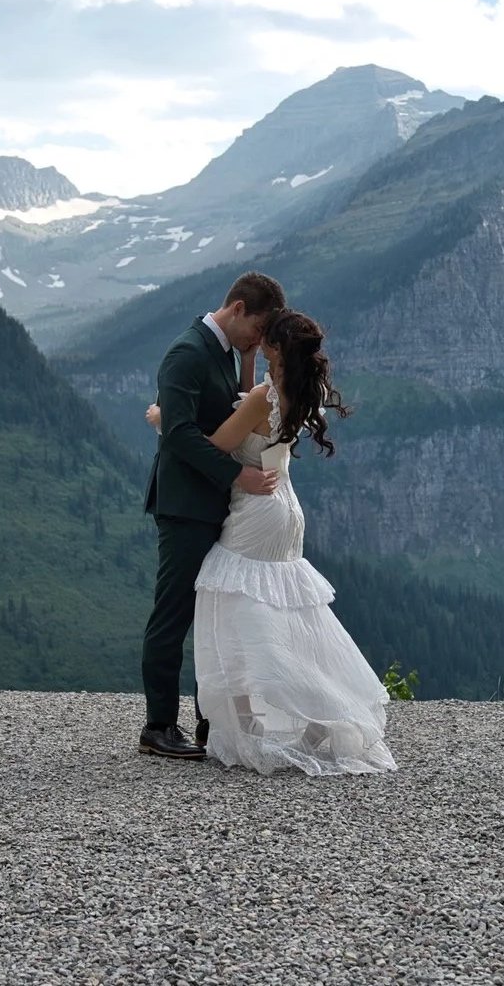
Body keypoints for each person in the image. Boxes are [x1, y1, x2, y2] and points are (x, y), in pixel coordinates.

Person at [147, 309, 396, 776]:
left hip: (255, 510)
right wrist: (245, 363)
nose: (258, 342)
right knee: (281, 611)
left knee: (235, 608)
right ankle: (310, 716)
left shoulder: (264, 397)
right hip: (285, 505)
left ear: (276, 350)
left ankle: (244, 725)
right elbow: (252, 413)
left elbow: (219, 444)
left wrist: (164, 418)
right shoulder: (305, 391)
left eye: (266, 341)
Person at [137, 272, 285, 760]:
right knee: (174, 613)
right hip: (184, 505)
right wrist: (237, 476)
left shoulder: (223, 351)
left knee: (213, 615)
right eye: (258, 331)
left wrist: (245, 361)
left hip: (211, 504)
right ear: (238, 308)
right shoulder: (187, 351)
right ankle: (158, 726)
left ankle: (210, 722)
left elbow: (231, 414)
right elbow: (178, 434)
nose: (261, 342)